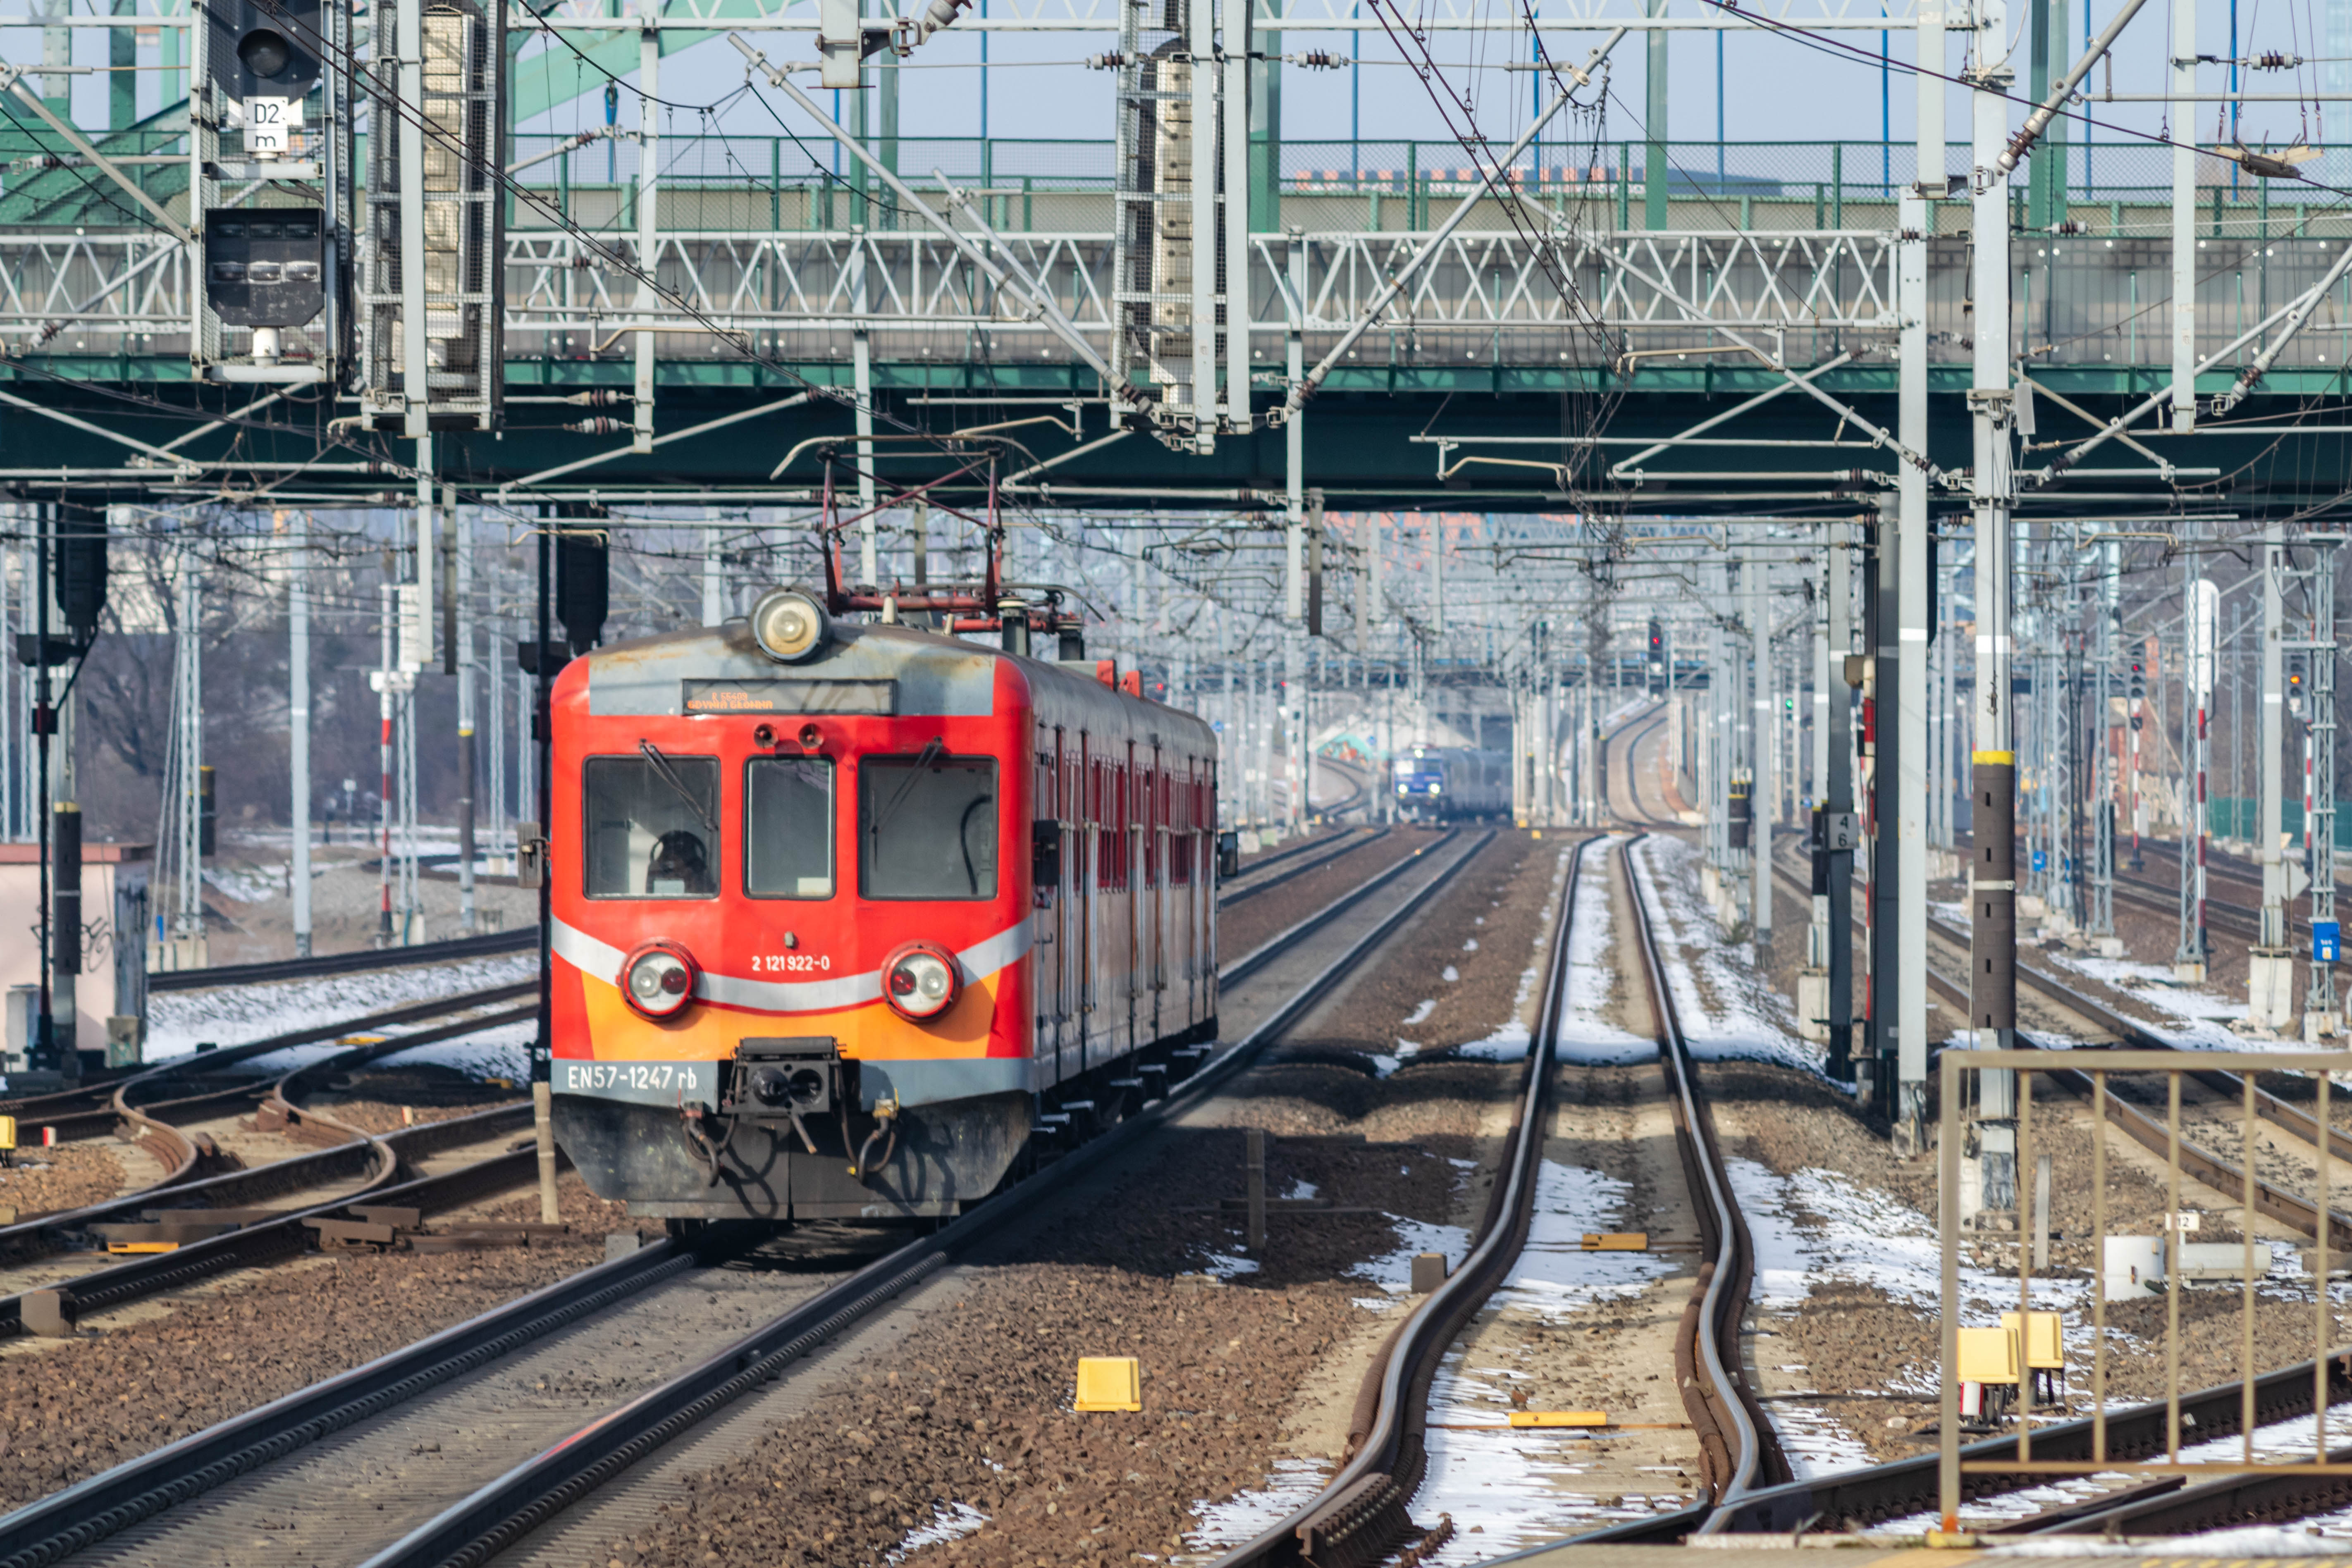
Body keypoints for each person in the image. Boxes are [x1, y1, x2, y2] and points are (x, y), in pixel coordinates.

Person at [647, 828, 712, 895]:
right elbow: (650, 895)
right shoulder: (656, 868)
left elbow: (704, 895)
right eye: (670, 850)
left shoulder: (698, 870)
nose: (673, 857)